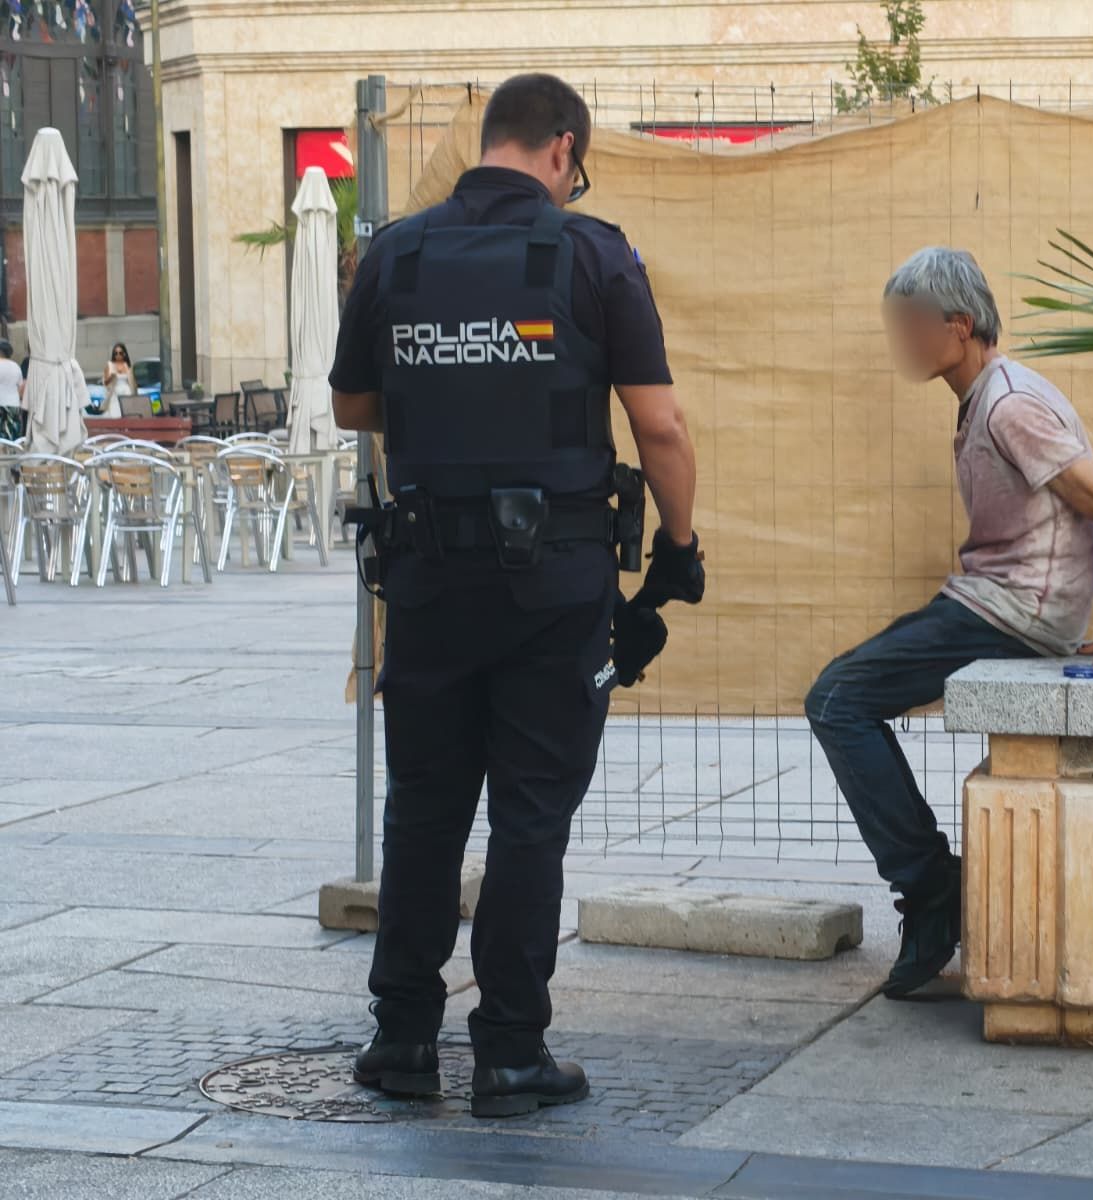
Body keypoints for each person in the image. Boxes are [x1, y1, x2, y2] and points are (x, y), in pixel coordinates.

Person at [330, 73, 703, 1117]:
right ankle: (508, 1052)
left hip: (427, 579)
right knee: (530, 816)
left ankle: (401, 1040)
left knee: (423, 808)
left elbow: (354, 399)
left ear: (488, 141)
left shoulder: (396, 251)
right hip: (552, 585)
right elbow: (660, 428)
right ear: (561, 150)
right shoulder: (592, 253)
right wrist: (677, 549)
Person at [806, 247, 1093, 999]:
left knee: (837, 701)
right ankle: (933, 885)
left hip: (1012, 614)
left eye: (910, 325)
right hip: (994, 601)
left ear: (959, 327)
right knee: (842, 697)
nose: (899, 340)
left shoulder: (1008, 405)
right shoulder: (989, 397)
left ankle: (932, 891)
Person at [100, 342, 134, 418]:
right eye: (116, 353)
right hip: (115, 395)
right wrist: (112, 376)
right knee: (115, 414)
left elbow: (132, 383)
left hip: (126, 394)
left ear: (124, 354)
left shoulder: (127, 366)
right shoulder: (110, 365)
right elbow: (105, 383)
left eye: (120, 353)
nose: (118, 355)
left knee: (126, 416)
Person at [0, 340, 22, 441]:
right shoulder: (16, 367)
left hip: (1, 404)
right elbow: (20, 387)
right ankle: (12, 455)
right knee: (12, 435)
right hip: (14, 405)